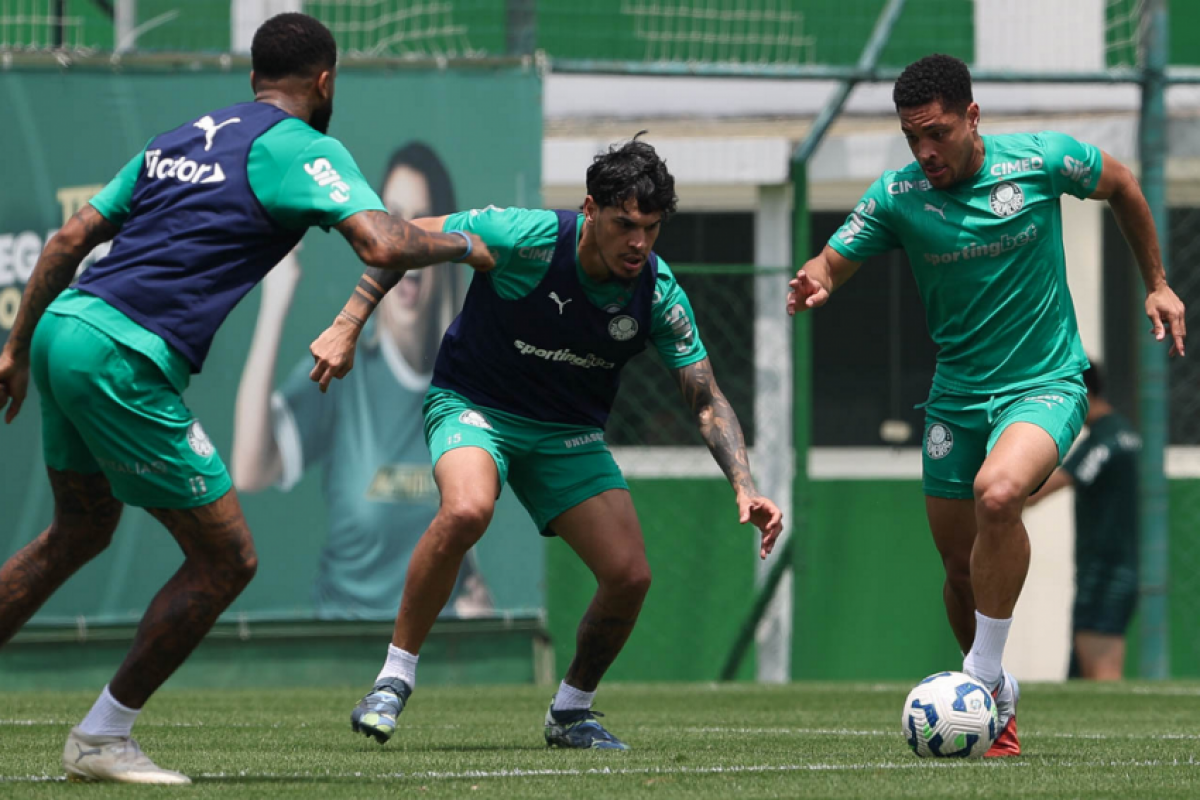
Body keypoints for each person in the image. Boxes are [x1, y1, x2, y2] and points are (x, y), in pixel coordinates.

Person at [0, 12, 492, 785]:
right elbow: (386, 244)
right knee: (227, 557)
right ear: (325, 80)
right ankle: (102, 736)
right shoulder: (299, 146)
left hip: (65, 328)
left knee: (79, 532)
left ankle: (101, 734)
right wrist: (469, 244)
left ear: (254, 76)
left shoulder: (183, 135)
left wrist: (15, 347)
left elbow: (69, 241)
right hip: (121, 353)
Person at [308, 133, 784, 750]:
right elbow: (401, 240)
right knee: (467, 509)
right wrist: (347, 324)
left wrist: (745, 486)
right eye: (624, 225)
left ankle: (571, 712)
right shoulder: (522, 238)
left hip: (568, 436)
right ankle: (392, 680)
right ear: (589, 210)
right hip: (475, 407)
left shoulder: (658, 295)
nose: (638, 242)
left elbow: (705, 397)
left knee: (630, 576)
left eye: (652, 227)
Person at [786, 54, 1185, 757]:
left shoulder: (1041, 160)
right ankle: (996, 713)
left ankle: (982, 678)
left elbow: (1122, 185)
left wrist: (1156, 281)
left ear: (972, 117)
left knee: (998, 496)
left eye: (937, 133)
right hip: (955, 401)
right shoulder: (899, 194)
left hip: (1045, 384)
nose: (925, 151)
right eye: (913, 138)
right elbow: (832, 259)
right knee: (959, 570)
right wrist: (816, 279)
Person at [232, 143, 493, 619]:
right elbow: (251, 468)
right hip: (346, 643)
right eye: (394, 219)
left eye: (423, 221)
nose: (406, 239)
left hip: (435, 650)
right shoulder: (347, 363)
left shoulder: (468, 374)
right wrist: (275, 301)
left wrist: (474, 599)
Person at [1027, 364, 1140, 681]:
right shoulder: (1124, 434)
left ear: (1080, 392)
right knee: (1083, 675)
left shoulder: (1105, 441)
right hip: (1113, 567)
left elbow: (1041, 490)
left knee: (1100, 674)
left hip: (1106, 571)